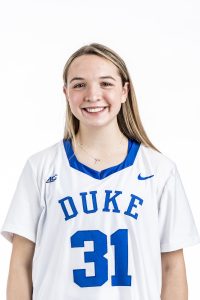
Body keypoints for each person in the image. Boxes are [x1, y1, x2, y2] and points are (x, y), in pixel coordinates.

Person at [1, 43, 200, 300]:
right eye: (79, 84)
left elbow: (172, 268)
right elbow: (20, 264)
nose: (92, 95)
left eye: (105, 83)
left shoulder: (159, 171)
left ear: (124, 91)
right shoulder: (41, 167)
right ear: (66, 93)